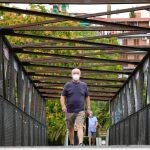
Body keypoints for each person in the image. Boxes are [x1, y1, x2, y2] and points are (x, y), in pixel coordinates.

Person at [60, 68, 91, 146]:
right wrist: (63, 106)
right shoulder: (67, 85)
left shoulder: (84, 85)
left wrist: (88, 108)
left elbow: (87, 97)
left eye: (77, 73)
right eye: (74, 73)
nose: (76, 75)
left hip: (80, 110)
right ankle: (72, 144)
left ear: (80, 75)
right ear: (71, 75)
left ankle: (80, 143)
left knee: (80, 126)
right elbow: (62, 96)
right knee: (70, 128)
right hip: (69, 110)